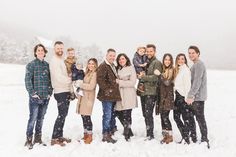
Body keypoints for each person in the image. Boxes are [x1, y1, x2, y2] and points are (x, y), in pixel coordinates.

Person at [24, 44, 52, 149]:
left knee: (41, 118)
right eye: (38, 50)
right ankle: (28, 139)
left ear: (45, 52)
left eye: (42, 50)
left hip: (45, 97)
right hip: (35, 98)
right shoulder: (31, 65)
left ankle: (38, 138)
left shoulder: (47, 65)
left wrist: (50, 93)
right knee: (33, 118)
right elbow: (27, 81)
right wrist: (32, 93)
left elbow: (50, 81)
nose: (40, 52)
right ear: (35, 52)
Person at [49, 41, 73, 146]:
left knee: (63, 115)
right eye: (58, 48)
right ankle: (54, 138)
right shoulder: (54, 61)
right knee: (61, 115)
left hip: (65, 90)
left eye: (61, 48)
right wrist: (70, 79)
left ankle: (59, 135)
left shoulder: (61, 60)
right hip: (60, 91)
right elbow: (58, 77)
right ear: (54, 49)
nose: (60, 50)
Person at [186, 46, 210, 148]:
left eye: (193, 53)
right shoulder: (195, 65)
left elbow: (197, 81)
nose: (191, 55)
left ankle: (205, 139)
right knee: (193, 118)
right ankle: (194, 136)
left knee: (200, 118)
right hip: (195, 97)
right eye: (189, 53)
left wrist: (191, 95)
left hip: (198, 97)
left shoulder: (199, 65)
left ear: (198, 53)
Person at [138, 44, 162, 140]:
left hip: (151, 93)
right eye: (147, 51)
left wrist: (143, 77)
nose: (148, 53)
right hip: (144, 92)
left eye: (151, 51)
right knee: (145, 114)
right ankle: (148, 132)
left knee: (148, 114)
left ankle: (150, 135)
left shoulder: (157, 63)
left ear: (154, 52)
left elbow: (156, 78)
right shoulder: (146, 62)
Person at [97, 48, 121, 143]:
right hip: (107, 95)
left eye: (114, 56)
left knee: (112, 114)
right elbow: (100, 79)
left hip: (113, 95)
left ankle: (111, 129)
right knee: (107, 115)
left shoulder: (112, 65)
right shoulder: (103, 66)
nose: (112, 57)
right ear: (106, 55)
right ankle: (105, 134)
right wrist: (107, 89)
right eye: (110, 55)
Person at [173, 53, 195, 144]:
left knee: (186, 118)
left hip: (183, 97)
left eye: (182, 59)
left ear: (185, 60)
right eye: (179, 59)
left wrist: (187, 98)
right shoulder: (178, 70)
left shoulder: (185, 70)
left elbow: (188, 86)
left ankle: (187, 139)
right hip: (177, 97)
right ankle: (185, 136)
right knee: (176, 117)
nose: (180, 61)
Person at [115, 53, 138, 141]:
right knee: (119, 113)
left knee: (127, 114)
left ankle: (127, 133)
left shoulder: (131, 68)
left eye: (123, 59)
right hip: (120, 94)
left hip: (128, 94)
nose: (121, 61)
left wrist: (120, 82)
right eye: (119, 59)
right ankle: (129, 130)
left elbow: (132, 82)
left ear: (126, 59)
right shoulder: (118, 69)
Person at [76, 58, 98, 144]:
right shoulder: (87, 73)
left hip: (88, 98)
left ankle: (89, 135)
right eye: (89, 63)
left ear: (95, 65)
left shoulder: (94, 74)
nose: (91, 65)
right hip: (83, 97)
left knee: (87, 117)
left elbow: (91, 86)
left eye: (93, 64)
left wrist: (81, 84)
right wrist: (78, 86)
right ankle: (85, 134)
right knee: (83, 116)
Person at [157, 53, 175, 144]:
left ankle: (170, 136)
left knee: (165, 116)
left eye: (169, 60)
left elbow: (167, 83)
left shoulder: (172, 71)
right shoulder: (164, 70)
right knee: (162, 116)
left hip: (168, 97)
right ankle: (165, 135)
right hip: (162, 97)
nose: (167, 61)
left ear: (171, 61)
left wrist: (160, 75)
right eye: (165, 59)